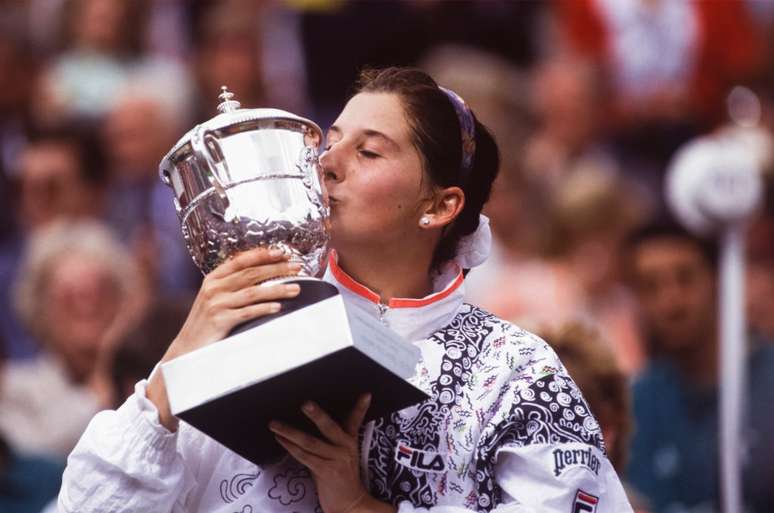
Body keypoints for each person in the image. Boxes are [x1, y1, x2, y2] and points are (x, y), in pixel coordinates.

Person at [58, 67, 633, 513]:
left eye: (369, 151)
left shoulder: (514, 371)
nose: (327, 163)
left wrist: (360, 505)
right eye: (330, 142)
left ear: (440, 206)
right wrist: (177, 366)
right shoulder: (240, 331)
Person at [623, 221, 774, 513]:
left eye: (685, 278)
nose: (671, 303)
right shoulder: (635, 406)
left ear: (718, 279)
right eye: (650, 286)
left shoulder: (768, 382)